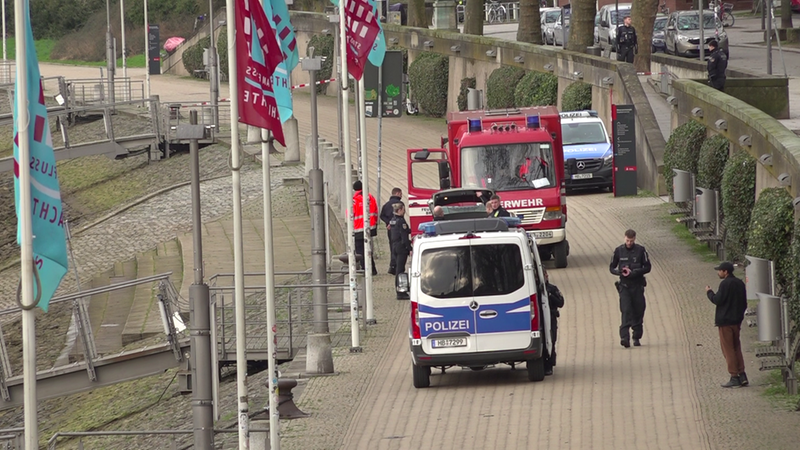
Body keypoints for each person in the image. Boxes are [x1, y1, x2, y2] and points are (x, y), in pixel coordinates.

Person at [705, 261, 748, 388]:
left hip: (725, 322)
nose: (718, 272)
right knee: (736, 347)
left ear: (725, 272)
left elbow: (717, 300)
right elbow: (744, 302)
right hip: (736, 321)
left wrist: (709, 292)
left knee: (728, 349)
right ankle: (742, 374)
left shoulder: (725, 284)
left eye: (720, 270)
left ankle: (734, 376)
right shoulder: (740, 283)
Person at [609, 229, 651, 348]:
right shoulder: (618, 251)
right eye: (627, 240)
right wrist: (619, 272)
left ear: (634, 239)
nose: (629, 243)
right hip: (624, 287)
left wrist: (636, 272)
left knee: (639, 311)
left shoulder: (640, 251)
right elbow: (611, 267)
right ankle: (624, 338)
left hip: (637, 286)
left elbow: (648, 267)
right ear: (624, 238)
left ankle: (636, 336)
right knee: (626, 310)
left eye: (631, 241)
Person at [352, 180, 378, 276]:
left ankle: (365, 270)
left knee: (360, 251)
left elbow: (350, 214)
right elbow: (375, 211)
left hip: (359, 229)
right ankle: (372, 269)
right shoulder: (370, 198)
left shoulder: (355, 200)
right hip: (370, 227)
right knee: (368, 249)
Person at [543, 268, 564, 376]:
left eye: (545, 274)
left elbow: (561, 303)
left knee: (552, 340)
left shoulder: (552, 288)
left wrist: (550, 296)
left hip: (551, 317)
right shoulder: (535, 289)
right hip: (540, 319)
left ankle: (549, 365)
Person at [390, 202, 412, 299]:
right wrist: (409, 248)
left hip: (394, 246)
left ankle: (400, 290)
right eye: (403, 209)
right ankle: (401, 292)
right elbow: (404, 237)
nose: (404, 211)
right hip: (401, 247)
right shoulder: (401, 221)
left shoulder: (393, 220)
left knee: (399, 269)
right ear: (399, 210)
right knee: (400, 270)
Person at [380, 187, 403, 275]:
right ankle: (396, 265)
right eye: (401, 194)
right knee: (399, 247)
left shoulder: (386, 205)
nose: (401, 196)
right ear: (397, 193)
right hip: (398, 229)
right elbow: (400, 217)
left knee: (392, 246)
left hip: (390, 229)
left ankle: (392, 265)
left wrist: (388, 223)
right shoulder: (400, 204)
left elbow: (382, 216)